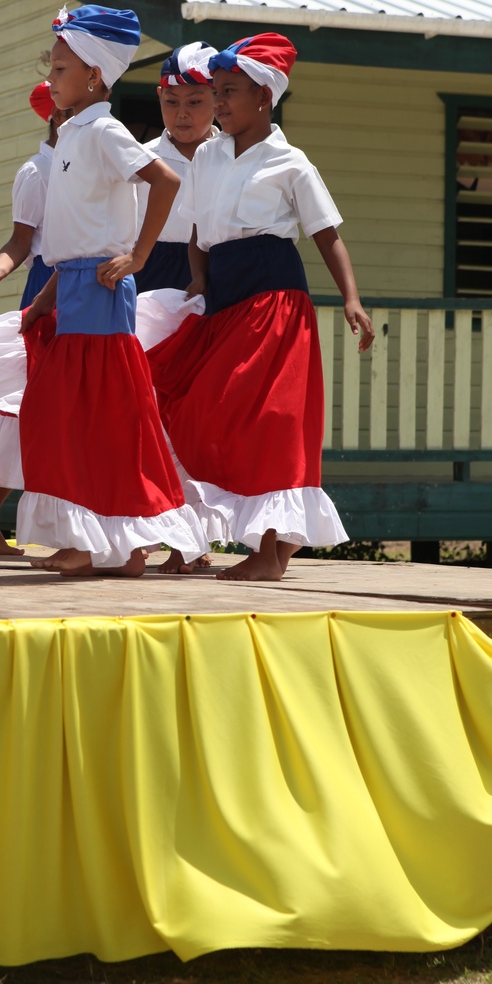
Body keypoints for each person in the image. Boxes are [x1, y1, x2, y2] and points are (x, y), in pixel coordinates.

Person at [146, 32, 375, 582]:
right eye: (217, 92)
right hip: (222, 300)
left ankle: (269, 551)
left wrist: (351, 298)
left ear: (264, 99)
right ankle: (228, 538)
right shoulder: (206, 156)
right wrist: (198, 283)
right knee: (187, 402)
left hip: (274, 300)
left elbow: (326, 235)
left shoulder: (292, 162)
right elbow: (200, 234)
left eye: (229, 93)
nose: (218, 103)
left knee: (265, 422)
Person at [16, 4, 211, 577]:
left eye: (58, 69)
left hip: (102, 292)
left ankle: (104, 541)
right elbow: (72, 237)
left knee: (90, 416)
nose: (50, 78)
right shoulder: (73, 134)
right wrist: (45, 300)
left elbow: (165, 180)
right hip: (73, 288)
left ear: (94, 76)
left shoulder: (103, 130)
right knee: (68, 416)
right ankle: (118, 542)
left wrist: (140, 256)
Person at [0, 81, 70, 556]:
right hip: (50, 285)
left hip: (90, 281)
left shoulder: (91, 160)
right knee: (32, 405)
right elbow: (22, 241)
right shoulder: (38, 171)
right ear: (54, 117)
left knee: (63, 405)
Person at [134, 41, 218, 294]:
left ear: (218, 98)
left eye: (194, 102)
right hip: (148, 273)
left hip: (217, 269)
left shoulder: (234, 159)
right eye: (171, 102)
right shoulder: (141, 160)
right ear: (160, 96)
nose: (181, 114)